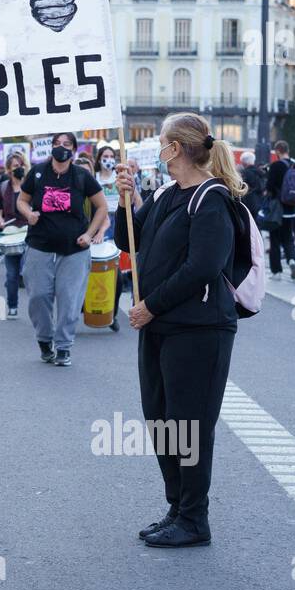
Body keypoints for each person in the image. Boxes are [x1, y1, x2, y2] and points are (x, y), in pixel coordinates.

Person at [114, 113, 249, 548]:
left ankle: (194, 518)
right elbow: (127, 242)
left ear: (177, 148)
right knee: (162, 422)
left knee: (189, 425)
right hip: (159, 327)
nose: (158, 149)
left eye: (162, 143)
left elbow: (203, 267)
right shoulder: (168, 193)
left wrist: (150, 305)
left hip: (198, 329)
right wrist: (124, 200)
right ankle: (176, 508)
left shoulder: (212, 198)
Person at [17, 132, 110, 366]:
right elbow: (21, 200)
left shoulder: (82, 176)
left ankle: (63, 347)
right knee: (38, 296)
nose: (61, 147)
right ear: (51, 148)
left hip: (74, 249)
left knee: (69, 300)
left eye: (66, 144)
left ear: (74, 149)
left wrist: (90, 234)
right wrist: (29, 214)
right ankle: (44, 340)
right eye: (57, 143)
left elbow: (101, 207)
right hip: (40, 245)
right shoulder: (37, 173)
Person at [0, 151, 30, 318]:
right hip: (10, 234)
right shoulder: (3, 187)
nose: (19, 168)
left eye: (21, 165)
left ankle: (38, 307)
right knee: (11, 274)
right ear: (8, 170)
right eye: (15, 166)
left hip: (29, 233)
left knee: (30, 273)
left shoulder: (31, 184)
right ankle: (12, 305)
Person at [265, 140, 295, 279]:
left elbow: (269, 186)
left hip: (278, 208)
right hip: (292, 207)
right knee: (288, 238)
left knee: (275, 239)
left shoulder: (276, 165)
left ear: (278, 151)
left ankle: (276, 271)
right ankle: (292, 260)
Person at [93, 145, 122, 240]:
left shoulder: (119, 176)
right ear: (99, 159)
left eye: (112, 156)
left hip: (118, 217)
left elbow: (135, 198)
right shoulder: (93, 177)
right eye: (105, 156)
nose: (109, 159)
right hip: (101, 219)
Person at [239, 151, 265, 220]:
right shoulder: (260, 173)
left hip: (247, 204)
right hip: (259, 203)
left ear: (244, 162)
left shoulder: (244, 173)